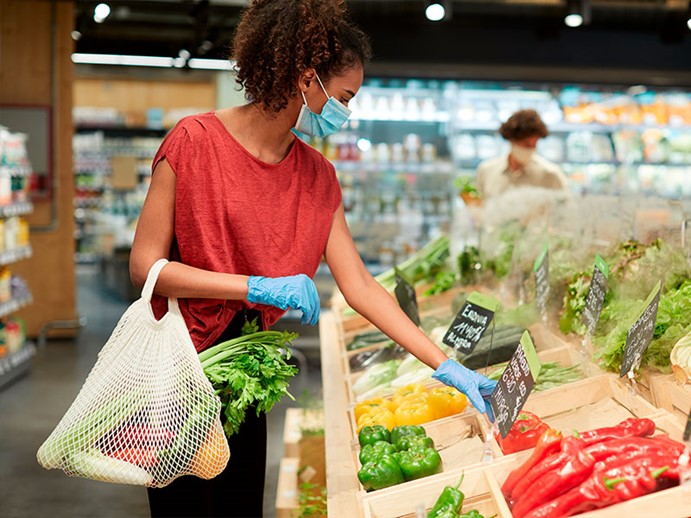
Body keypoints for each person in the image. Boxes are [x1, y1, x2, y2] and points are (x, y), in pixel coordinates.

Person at [129, 1, 496, 516]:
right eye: (344, 97)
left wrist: (446, 365)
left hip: (247, 374)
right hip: (178, 374)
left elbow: (362, 287)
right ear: (305, 79)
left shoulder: (317, 176)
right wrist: (254, 287)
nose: (347, 112)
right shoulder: (193, 142)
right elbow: (147, 268)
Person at [475, 109, 569, 199]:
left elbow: (565, 210)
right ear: (512, 140)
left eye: (534, 144)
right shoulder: (486, 171)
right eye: (526, 144)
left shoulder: (551, 174)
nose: (530, 149)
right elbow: (477, 206)